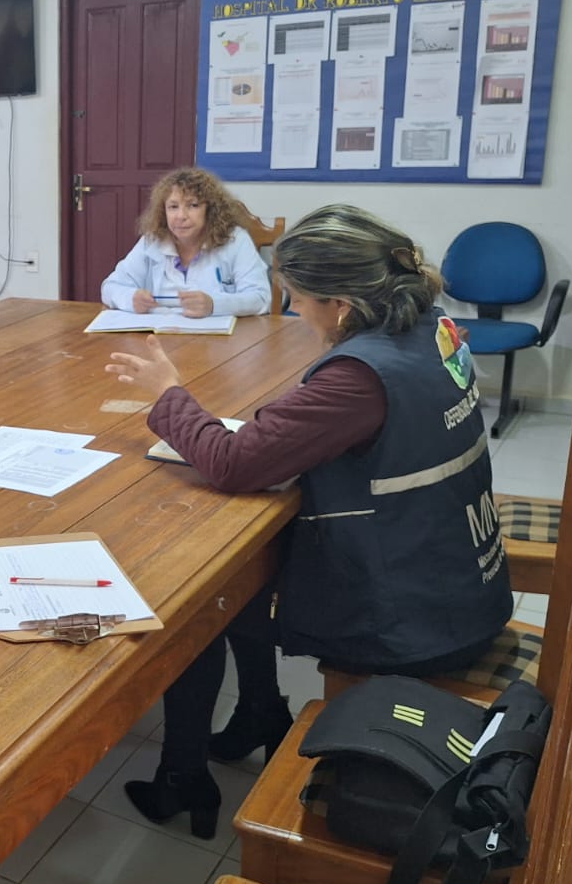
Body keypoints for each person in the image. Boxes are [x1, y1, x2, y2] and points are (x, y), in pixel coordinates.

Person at [105, 204, 511, 838]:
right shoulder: (432, 327)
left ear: (342, 306)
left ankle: (184, 776)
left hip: (415, 619)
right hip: (460, 571)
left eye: (295, 299)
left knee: (199, 599)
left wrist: (168, 394)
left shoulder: (358, 376)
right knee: (238, 581)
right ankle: (260, 713)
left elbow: (233, 463)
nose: (293, 312)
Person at [101, 167, 272, 317]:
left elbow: (260, 298)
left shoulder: (235, 240)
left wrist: (214, 305)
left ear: (210, 210)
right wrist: (130, 298)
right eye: (173, 207)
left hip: (216, 345)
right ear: (163, 211)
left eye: (193, 205)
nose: (181, 216)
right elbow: (110, 287)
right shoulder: (151, 241)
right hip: (160, 337)